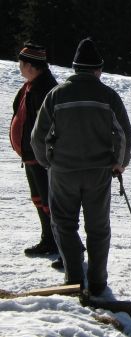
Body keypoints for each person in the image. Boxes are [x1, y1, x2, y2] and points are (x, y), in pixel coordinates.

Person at [31, 38, 131, 296]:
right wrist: (119, 164)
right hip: (98, 172)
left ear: (75, 68)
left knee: (64, 224)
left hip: (63, 172)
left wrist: (48, 163)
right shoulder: (108, 96)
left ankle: (74, 277)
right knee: (98, 227)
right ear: (97, 69)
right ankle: (97, 281)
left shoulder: (56, 95)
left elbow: (38, 137)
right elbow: (122, 135)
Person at [10, 42, 59, 257]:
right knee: (39, 199)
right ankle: (48, 239)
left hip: (41, 157)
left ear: (32, 66)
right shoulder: (33, 84)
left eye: (21, 63)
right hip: (31, 155)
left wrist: (43, 153)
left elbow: (49, 127)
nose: (19, 67)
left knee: (48, 201)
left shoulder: (44, 88)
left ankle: (57, 243)